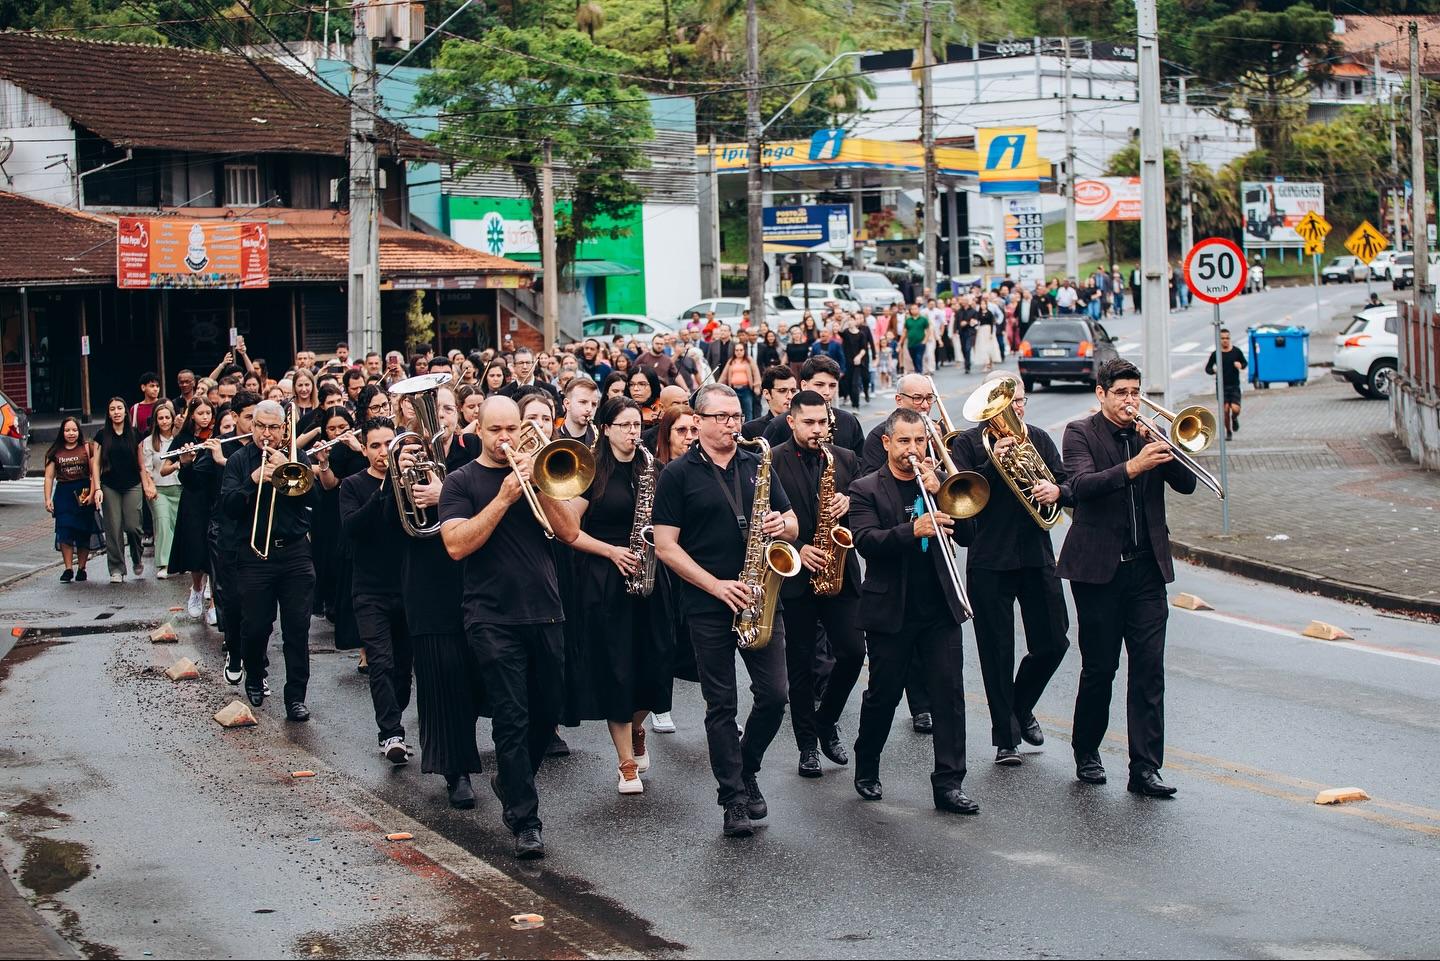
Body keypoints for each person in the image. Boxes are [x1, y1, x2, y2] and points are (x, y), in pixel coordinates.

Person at [652, 383, 799, 838]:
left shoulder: (758, 461)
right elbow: (665, 547)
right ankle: (733, 798)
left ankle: (746, 766)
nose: (733, 425)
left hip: (758, 594)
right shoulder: (677, 474)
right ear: (698, 422)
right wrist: (716, 586)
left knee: (775, 695)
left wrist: (783, 524)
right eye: (722, 417)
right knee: (721, 704)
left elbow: (793, 522)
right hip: (707, 601)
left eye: (736, 416)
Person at [439, 396, 579, 859]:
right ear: (477, 428)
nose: (505, 439)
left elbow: (568, 533)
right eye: (495, 430)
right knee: (512, 718)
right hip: (491, 617)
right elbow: (457, 546)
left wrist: (538, 485)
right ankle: (526, 820)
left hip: (547, 610)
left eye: (512, 429)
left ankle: (510, 779)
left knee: (548, 710)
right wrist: (502, 498)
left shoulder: (538, 473)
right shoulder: (461, 481)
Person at [1057, 359, 1197, 797]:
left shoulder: (1148, 435)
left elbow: (1188, 485)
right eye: (1121, 393)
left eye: (1135, 393)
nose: (1130, 401)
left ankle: (1145, 768)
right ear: (1101, 395)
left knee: (1149, 670)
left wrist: (1167, 448)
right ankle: (1087, 751)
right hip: (1097, 570)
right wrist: (1134, 466)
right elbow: (1079, 486)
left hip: (1147, 569)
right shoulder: (1080, 432)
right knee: (1100, 668)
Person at [848, 407, 978, 814]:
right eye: (903, 441)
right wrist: (912, 530)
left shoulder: (937, 483)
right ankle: (867, 766)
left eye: (919, 441)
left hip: (939, 605)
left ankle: (949, 784)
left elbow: (971, 534)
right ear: (887, 442)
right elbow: (866, 541)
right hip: (892, 608)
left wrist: (942, 491)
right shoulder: (866, 488)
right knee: (883, 695)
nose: (912, 449)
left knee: (948, 695)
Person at [950, 376, 1072, 765]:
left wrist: (1055, 490)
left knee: (1055, 641)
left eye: (1019, 402)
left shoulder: (1037, 437)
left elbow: (1064, 481)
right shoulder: (967, 443)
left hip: (1036, 554)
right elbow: (963, 495)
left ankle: (1020, 707)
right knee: (996, 650)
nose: (1015, 409)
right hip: (989, 558)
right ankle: (1006, 738)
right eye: (1007, 403)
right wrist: (992, 462)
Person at [567, 397, 675, 794]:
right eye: (625, 425)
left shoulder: (653, 469)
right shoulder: (590, 471)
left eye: (638, 425)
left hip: (650, 577)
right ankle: (625, 763)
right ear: (606, 428)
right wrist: (612, 552)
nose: (634, 433)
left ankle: (636, 726)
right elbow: (569, 530)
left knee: (658, 661)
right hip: (606, 578)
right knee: (616, 668)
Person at [391, 383, 486, 808]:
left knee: (479, 670)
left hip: (475, 576)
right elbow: (388, 526)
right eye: (434, 408)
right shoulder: (403, 457)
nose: (442, 415)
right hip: (428, 581)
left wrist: (443, 493)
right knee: (443, 675)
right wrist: (393, 482)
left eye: (448, 408)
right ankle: (456, 770)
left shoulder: (476, 453)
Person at [771, 390, 863, 779]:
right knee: (801, 663)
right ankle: (807, 744)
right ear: (791, 421)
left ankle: (827, 720)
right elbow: (765, 520)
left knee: (853, 653)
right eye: (809, 422)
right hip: (795, 574)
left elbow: (868, 510)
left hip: (838, 570)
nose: (817, 429)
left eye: (823, 422)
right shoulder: (771, 460)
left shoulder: (845, 459)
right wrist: (799, 547)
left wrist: (850, 501)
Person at [220, 400, 321, 721]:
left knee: (297, 629)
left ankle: (296, 697)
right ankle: (253, 674)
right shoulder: (238, 461)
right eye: (261, 426)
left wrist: (286, 468)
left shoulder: (295, 456)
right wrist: (253, 480)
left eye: (273, 428)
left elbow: (314, 500)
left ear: (283, 429)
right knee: (256, 626)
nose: (266, 434)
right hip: (254, 555)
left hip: (294, 553)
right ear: (251, 427)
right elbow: (228, 507)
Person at [340, 417, 415, 765]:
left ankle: (393, 713)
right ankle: (391, 734)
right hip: (369, 589)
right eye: (375, 446)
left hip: (408, 585)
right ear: (365, 448)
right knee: (381, 662)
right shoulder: (353, 485)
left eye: (389, 444)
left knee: (402, 669)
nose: (384, 452)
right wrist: (387, 487)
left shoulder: (413, 481)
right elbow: (354, 528)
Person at [212, 391, 260, 686]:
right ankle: (234, 650)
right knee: (232, 601)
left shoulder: (269, 448)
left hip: (259, 534)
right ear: (236, 418)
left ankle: (258, 667)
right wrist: (211, 459)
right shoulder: (224, 446)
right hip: (229, 533)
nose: (257, 424)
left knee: (259, 606)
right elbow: (200, 484)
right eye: (249, 418)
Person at [164, 398, 220, 619]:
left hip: (213, 495)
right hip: (194, 497)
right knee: (197, 548)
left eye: (209, 413)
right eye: (201, 413)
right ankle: (196, 589)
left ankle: (215, 603)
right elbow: (165, 467)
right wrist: (184, 461)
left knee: (215, 552)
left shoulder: (217, 438)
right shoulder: (184, 438)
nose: (205, 417)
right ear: (192, 415)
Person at [762, 357, 864, 458]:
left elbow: (861, 462)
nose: (827, 392)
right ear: (804, 385)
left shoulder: (848, 421)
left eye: (832, 385)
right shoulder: (778, 425)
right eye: (819, 384)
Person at [43, 415, 102, 583]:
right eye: (67, 430)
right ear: (62, 432)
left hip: (83, 492)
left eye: (74, 430)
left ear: (79, 432)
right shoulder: (54, 452)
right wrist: (47, 499)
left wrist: (93, 493)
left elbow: (94, 473)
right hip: (63, 493)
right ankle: (68, 568)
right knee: (65, 531)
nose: (71, 433)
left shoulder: (87, 448)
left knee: (83, 531)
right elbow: (48, 477)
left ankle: (82, 568)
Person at [94, 396, 145, 583]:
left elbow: (141, 463)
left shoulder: (134, 434)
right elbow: (95, 463)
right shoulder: (101, 435)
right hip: (109, 486)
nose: (116, 412)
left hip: (132, 484)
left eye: (119, 408)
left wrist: (147, 484)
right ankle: (116, 568)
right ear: (108, 413)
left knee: (133, 527)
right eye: (112, 409)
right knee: (113, 528)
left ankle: (137, 556)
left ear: (126, 411)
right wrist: (97, 488)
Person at [140, 401, 180, 579]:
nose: (164, 421)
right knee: (163, 523)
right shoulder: (148, 442)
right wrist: (148, 486)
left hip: (180, 487)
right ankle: (165, 563)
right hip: (159, 489)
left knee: (177, 526)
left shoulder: (179, 439)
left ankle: (180, 560)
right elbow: (146, 469)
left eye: (167, 417)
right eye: (160, 418)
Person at [1205, 328, 1248, 440]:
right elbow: (1208, 368)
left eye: (1227, 338)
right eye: (1223, 338)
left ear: (1230, 339)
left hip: (1234, 385)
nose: (1225, 340)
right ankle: (1228, 431)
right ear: (1219, 340)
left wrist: (1240, 365)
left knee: (1235, 409)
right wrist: (1214, 370)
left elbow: (1244, 363)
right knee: (1225, 410)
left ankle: (1234, 418)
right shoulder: (1216, 354)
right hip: (1221, 386)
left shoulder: (1236, 351)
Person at [742, 366, 797, 441]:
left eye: (793, 391)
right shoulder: (750, 430)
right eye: (782, 390)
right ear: (767, 394)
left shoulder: (803, 426)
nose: (790, 396)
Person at [718, 341, 762, 421]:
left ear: (744, 351)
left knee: (748, 411)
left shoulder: (749, 360)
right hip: (734, 390)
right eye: (737, 350)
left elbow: (756, 373)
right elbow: (724, 375)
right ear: (734, 351)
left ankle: (749, 428)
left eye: (741, 350)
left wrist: (757, 386)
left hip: (746, 390)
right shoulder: (731, 361)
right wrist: (718, 387)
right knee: (736, 411)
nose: (739, 352)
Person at [557, 376, 599, 446]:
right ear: (567, 404)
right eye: (583, 402)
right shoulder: (553, 440)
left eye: (594, 404)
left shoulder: (599, 440)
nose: (589, 409)